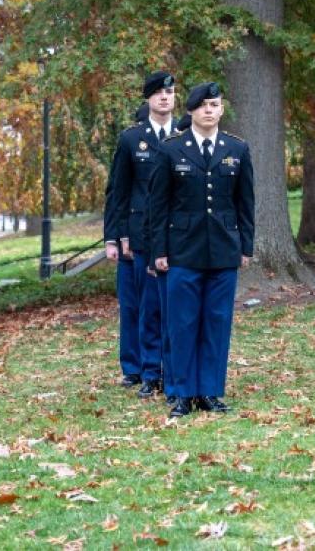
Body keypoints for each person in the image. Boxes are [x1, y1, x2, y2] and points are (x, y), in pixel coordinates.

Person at [149, 82, 254, 418]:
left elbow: (245, 203)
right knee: (182, 323)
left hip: (223, 249)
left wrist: (245, 246)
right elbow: (158, 206)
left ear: (222, 110)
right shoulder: (171, 149)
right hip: (182, 250)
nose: (209, 110)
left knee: (216, 322)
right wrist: (158, 250)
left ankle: (209, 391)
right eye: (203, 105)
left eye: (215, 104)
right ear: (191, 111)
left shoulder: (237, 148)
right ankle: (181, 392)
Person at [103, 71, 177, 396]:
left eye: (170, 92)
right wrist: (114, 236)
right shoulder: (132, 138)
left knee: (169, 305)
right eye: (158, 92)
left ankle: (168, 366)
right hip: (139, 233)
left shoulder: (183, 135)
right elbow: (117, 192)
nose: (164, 97)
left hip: (175, 232)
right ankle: (142, 370)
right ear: (148, 99)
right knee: (141, 305)